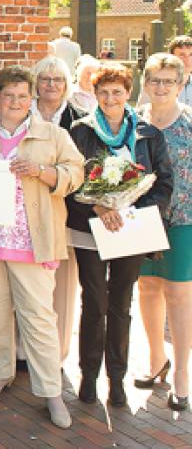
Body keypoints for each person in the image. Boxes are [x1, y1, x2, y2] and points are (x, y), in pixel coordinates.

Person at [0, 65, 84, 429]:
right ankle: (2, 372)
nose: (15, 102)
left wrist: (44, 172)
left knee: (38, 319)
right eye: (8, 95)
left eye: (22, 96)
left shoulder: (53, 135)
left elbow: (76, 173)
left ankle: (51, 392)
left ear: (32, 99)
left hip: (33, 241)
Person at [67, 63, 173, 408]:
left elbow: (164, 183)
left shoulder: (147, 133)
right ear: (95, 95)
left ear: (128, 93)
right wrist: (98, 207)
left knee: (121, 305)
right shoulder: (81, 130)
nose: (110, 98)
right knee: (94, 303)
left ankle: (117, 380)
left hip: (131, 229)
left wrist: (133, 212)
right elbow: (71, 184)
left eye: (117, 91)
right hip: (91, 228)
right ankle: (88, 375)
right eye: (103, 92)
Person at [135, 53, 192, 411]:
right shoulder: (134, 123)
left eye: (169, 81)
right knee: (147, 287)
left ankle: (182, 374)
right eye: (155, 79)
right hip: (142, 219)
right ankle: (157, 360)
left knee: (179, 294)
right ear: (145, 83)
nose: (161, 87)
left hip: (184, 218)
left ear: (181, 85)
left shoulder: (189, 124)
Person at [30, 56, 88, 366]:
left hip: (66, 212)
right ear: (35, 83)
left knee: (62, 289)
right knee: (27, 286)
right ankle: (24, 350)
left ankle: (56, 353)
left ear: (66, 85)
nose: (51, 85)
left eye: (58, 80)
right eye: (45, 79)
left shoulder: (80, 120)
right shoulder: (21, 115)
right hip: (26, 214)